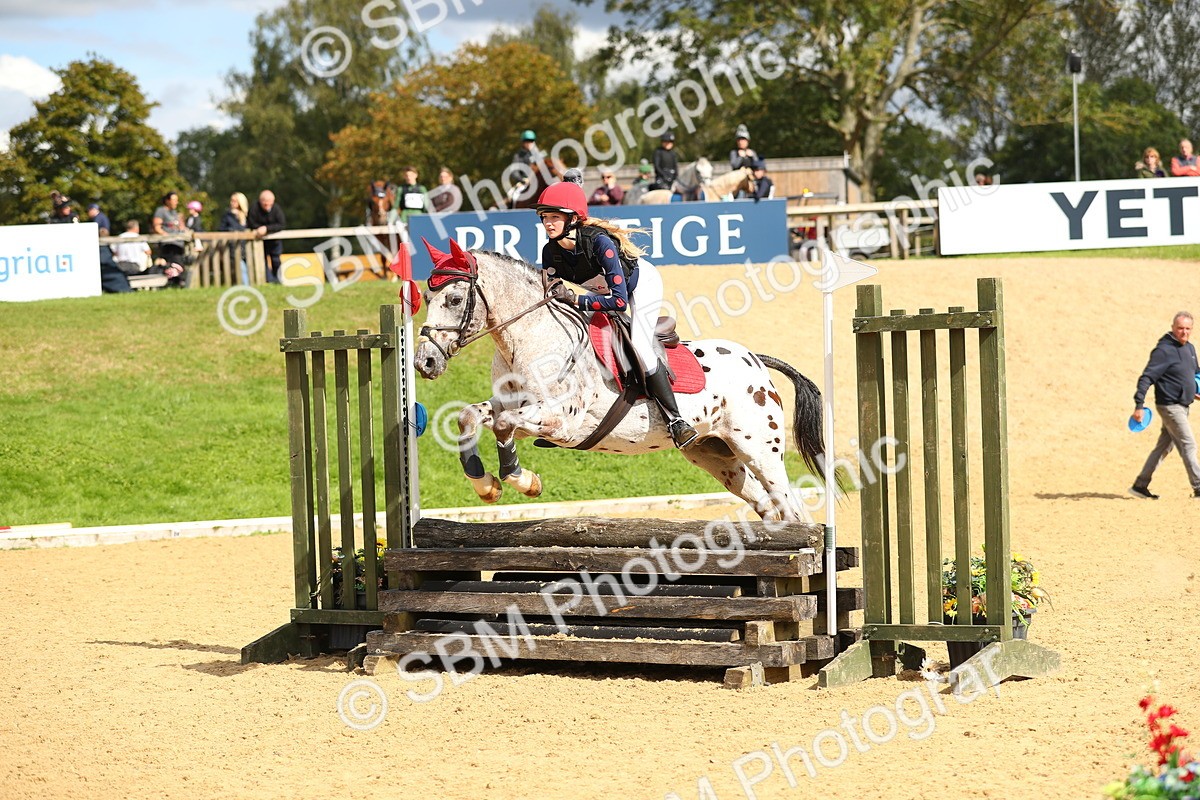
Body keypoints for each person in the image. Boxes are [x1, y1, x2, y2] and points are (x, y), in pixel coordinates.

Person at [534, 180, 699, 449]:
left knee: (641, 345)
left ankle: (676, 421)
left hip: (638, 286)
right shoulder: (550, 252)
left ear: (573, 219)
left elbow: (619, 301)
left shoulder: (600, 243)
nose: (548, 223)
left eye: (554, 217)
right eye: (544, 217)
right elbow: (552, 292)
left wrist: (576, 298)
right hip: (603, 293)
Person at [1130, 311, 1200, 499]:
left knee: (1163, 447)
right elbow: (1147, 377)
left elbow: (1195, 375)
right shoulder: (1164, 351)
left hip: (1184, 405)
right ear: (1172, 328)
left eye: (1187, 328)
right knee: (1189, 444)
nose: (1184, 332)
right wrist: (1139, 405)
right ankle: (1199, 486)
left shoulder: (1190, 349)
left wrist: (1196, 391)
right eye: (1180, 328)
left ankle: (1140, 485)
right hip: (1170, 406)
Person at [248, 189, 286, 283]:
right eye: (265, 202)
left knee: (276, 260)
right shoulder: (254, 208)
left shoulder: (276, 209)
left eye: (270, 202)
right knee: (262, 260)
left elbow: (281, 224)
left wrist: (267, 229)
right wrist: (259, 229)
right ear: (260, 201)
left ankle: (278, 280)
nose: (267, 205)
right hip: (260, 241)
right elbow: (251, 223)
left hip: (275, 241)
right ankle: (268, 281)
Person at [151, 191, 188, 283]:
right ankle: (172, 283)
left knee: (179, 265)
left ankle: (178, 282)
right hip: (168, 244)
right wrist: (166, 236)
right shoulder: (161, 211)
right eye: (174, 200)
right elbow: (157, 227)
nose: (176, 202)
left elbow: (179, 226)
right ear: (167, 201)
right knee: (172, 266)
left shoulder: (174, 212)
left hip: (178, 243)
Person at [220, 192, 251, 284]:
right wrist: (231, 231)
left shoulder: (246, 216)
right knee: (239, 267)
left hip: (245, 246)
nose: (232, 203)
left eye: (234, 201)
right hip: (232, 246)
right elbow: (221, 229)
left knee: (245, 266)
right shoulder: (227, 215)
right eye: (231, 200)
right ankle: (245, 286)